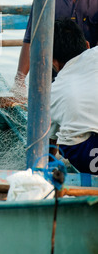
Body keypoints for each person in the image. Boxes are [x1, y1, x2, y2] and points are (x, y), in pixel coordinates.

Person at [49, 18, 98, 175]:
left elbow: (49, 140)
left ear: (53, 62)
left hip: (88, 154)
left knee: (64, 140)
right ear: (87, 45)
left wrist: (46, 165)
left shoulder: (54, 90)